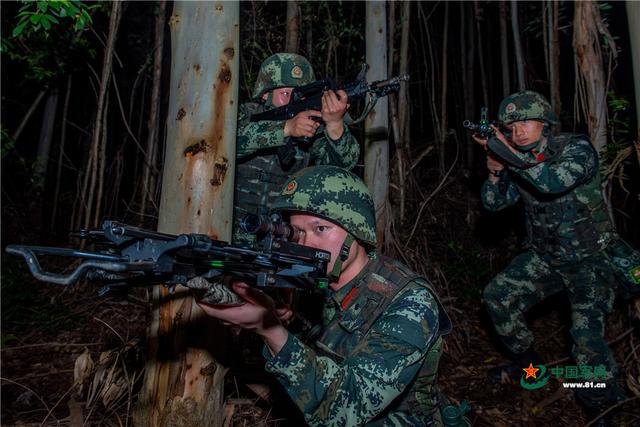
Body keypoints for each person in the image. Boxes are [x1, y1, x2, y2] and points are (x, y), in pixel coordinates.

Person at [198, 165, 451, 426]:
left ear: (356, 229)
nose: (306, 244)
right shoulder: (328, 285)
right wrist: (286, 319)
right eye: (297, 232)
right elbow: (331, 342)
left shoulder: (410, 302)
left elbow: (348, 406)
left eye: (320, 229)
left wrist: (271, 330)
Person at [474, 90, 625, 424]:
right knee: (497, 296)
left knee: (586, 345)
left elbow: (551, 182)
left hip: (590, 261)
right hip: (545, 259)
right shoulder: (516, 159)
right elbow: (494, 204)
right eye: (511, 126)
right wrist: (496, 170)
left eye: (526, 121)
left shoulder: (575, 149)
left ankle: (602, 406)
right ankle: (531, 368)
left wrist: (508, 154)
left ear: (545, 122)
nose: (519, 131)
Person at [234, 53, 360, 246]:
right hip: (230, 232)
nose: (293, 101)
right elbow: (226, 142)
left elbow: (342, 168)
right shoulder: (245, 114)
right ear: (265, 94)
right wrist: (285, 129)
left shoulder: (312, 128)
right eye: (286, 94)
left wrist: (335, 125)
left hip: (281, 238)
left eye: (298, 95)